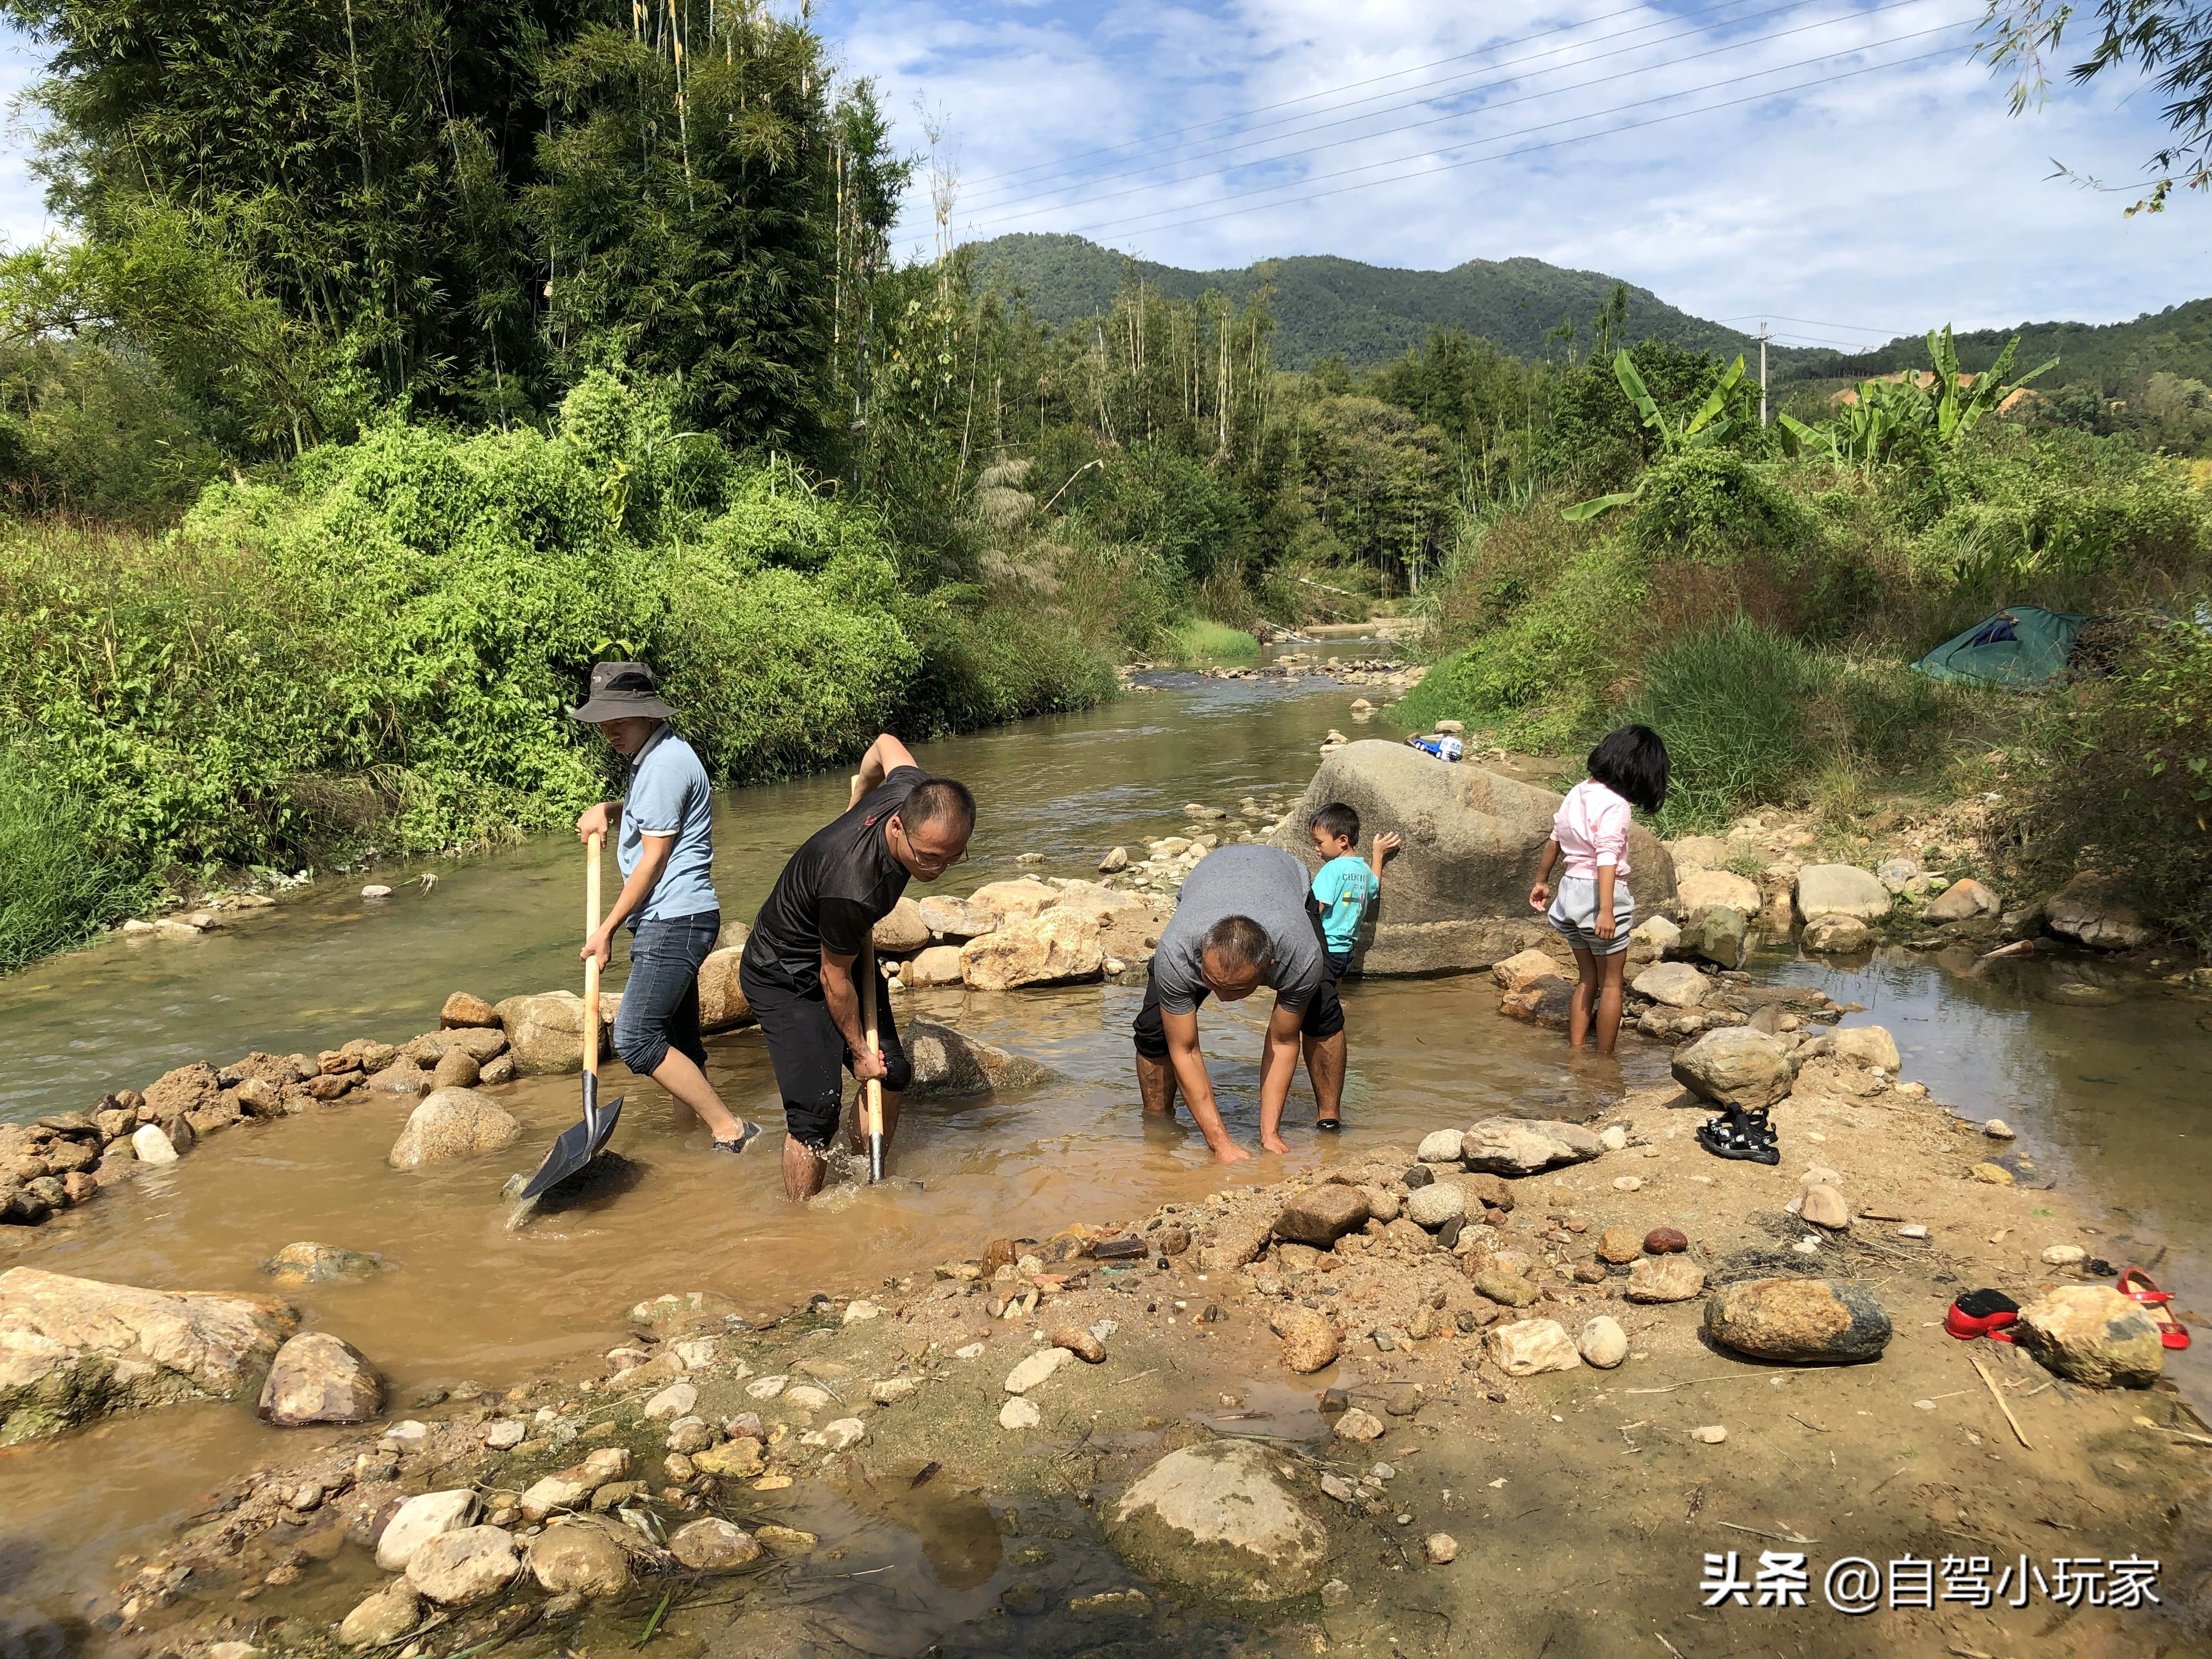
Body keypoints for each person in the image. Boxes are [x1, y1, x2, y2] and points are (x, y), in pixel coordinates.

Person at [739, 733, 975, 1200]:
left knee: (893, 1073)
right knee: (814, 1114)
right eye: (928, 857)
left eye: (953, 858)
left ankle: (864, 1176)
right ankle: (801, 1227)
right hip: (785, 972)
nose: (937, 871)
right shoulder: (855, 885)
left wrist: (859, 793)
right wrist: (857, 1050)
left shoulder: (914, 790)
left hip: (837, 956)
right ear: (895, 828)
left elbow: (886, 743)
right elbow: (833, 978)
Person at [568, 661, 758, 1154]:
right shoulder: (658, 757)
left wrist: (607, 928)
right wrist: (609, 810)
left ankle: (730, 1129)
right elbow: (651, 817)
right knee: (682, 1043)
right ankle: (688, 1146)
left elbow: (653, 859)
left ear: (649, 715)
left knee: (634, 1038)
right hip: (676, 917)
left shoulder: (664, 765)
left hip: (673, 919)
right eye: (602, 722)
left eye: (619, 720)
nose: (609, 731)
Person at [1132, 843, 1346, 1160]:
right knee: (1154, 1031)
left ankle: (1329, 1121)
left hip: (1283, 880)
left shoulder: (1299, 956)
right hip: (1210, 877)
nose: (1221, 998)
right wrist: (1220, 1143)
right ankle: (1159, 1123)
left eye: (1237, 990)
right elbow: (1186, 1050)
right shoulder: (1176, 954)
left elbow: (1284, 1042)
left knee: (1322, 1013)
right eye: (1214, 984)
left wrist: (1270, 1134)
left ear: (1270, 967)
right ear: (1201, 956)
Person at [1526, 723, 1670, 1058]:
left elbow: (1555, 840)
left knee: (1586, 979)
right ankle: (1605, 1061)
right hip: (1600, 895)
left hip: (1569, 895)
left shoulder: (1577, 792)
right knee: (1612, 983)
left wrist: (1541, 881)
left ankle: (1577, 1054)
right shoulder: (1616, 805)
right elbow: (1606, 858)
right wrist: (1606, 910)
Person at [1306, 802, 1401, 982]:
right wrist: (1378, 855)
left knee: (1314, 994)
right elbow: (1374, 887)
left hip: (1325, 946)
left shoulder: (1332, 869)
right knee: (1334, 985)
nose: (1316, 848)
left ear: (1343, 841)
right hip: (1346, 951)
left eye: (1319, 843)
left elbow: (1317, 906)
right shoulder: (1363, 870)